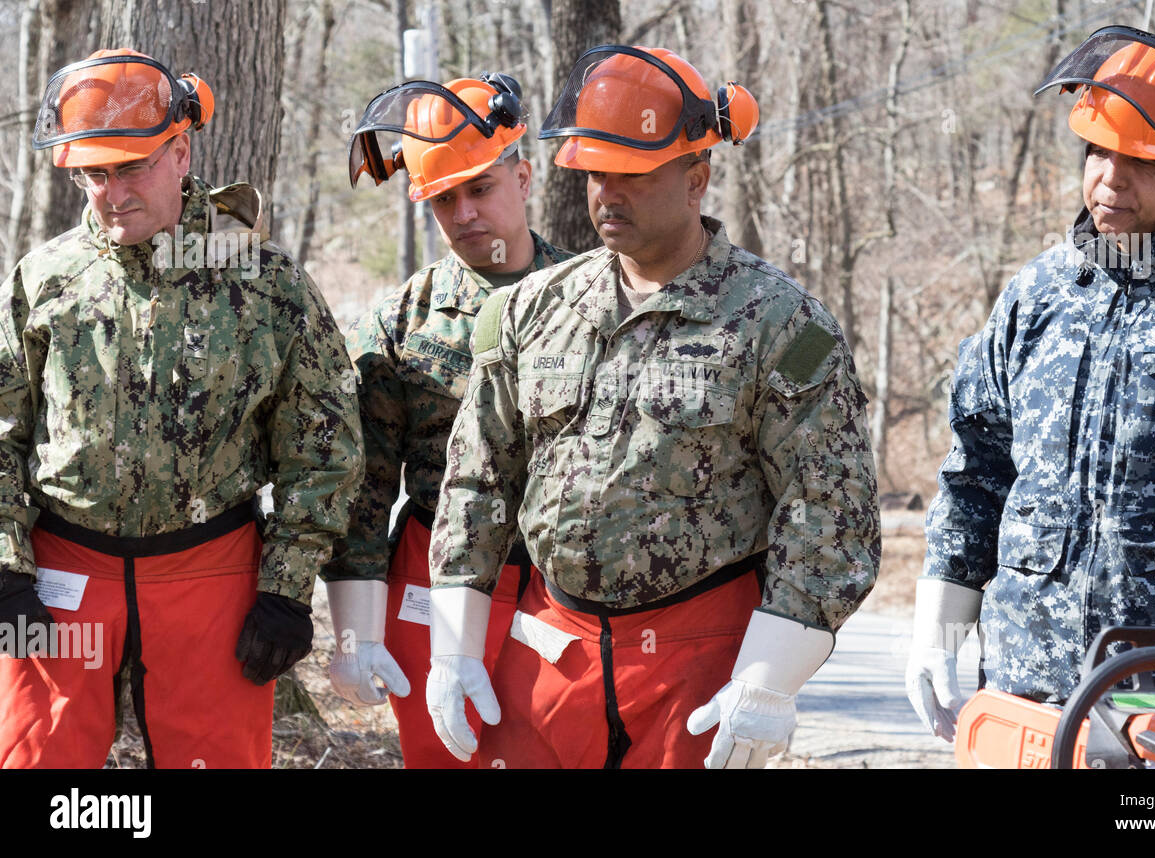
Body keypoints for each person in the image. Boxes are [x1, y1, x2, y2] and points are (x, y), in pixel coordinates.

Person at [422, 45, 881, 769]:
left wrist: (768, 680)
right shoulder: (532, 311)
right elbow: (476, 481)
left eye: (632, 176)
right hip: (551, 656)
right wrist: (452, 647)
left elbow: (829, 513)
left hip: (700, 666)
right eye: (596, 174)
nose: (607, 194)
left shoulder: (781, 324)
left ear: (696, 178)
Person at [908, 25, 1155, 742]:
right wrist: (938, 622)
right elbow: (977, 468)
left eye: (1137, 162)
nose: (1109, 181)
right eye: (1097, 153)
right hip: (1031, 689)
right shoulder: (1038, 295)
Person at [0, 49, 362, 768]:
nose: (110, 194)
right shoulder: (44, 280)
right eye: (93, 174)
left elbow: (324, 449)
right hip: (60, 573)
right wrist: (5, 569)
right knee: (37, 759)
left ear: (181, 152)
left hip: (210, 575)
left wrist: (287, 590)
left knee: (217, 759)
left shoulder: (263, 283)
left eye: (129, 169)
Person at [324, 75, 571, 768]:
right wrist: (354, 635)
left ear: (522, 177)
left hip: (555, 582)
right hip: (429, 578)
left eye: (481, 188)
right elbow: (365, 488)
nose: (464, 213)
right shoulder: (401, 320)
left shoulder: (587, 298)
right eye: (443, 198)